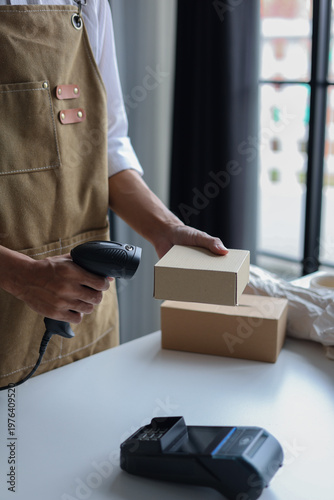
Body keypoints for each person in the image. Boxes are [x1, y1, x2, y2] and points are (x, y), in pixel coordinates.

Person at [0, 0, 228, 386]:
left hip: (85, 316)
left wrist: (166, 229)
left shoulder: (87, 4)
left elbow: (107, 146)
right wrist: (22, 277)